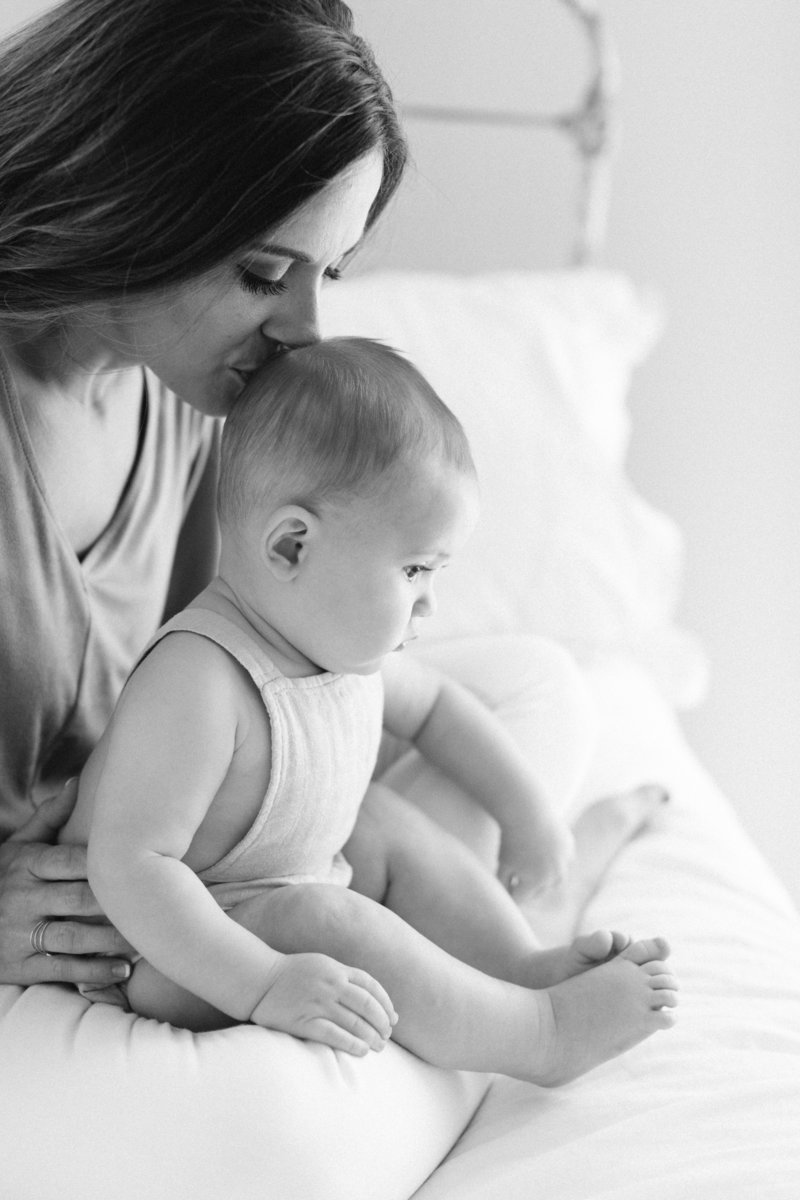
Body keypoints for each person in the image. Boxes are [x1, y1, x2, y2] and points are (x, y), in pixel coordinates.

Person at [60, 338, 678, 1085]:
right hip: (155, 956)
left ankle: (518, 966)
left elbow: (443, 709)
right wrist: (263, 983)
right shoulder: (198, 680)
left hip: (281, 887)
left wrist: (527, 817)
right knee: (322, 920)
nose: (430, 601)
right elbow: (131, 865)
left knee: (382, 822)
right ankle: (539, 1036)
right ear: (292, 546)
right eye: (415, 569)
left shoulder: (338, 651)